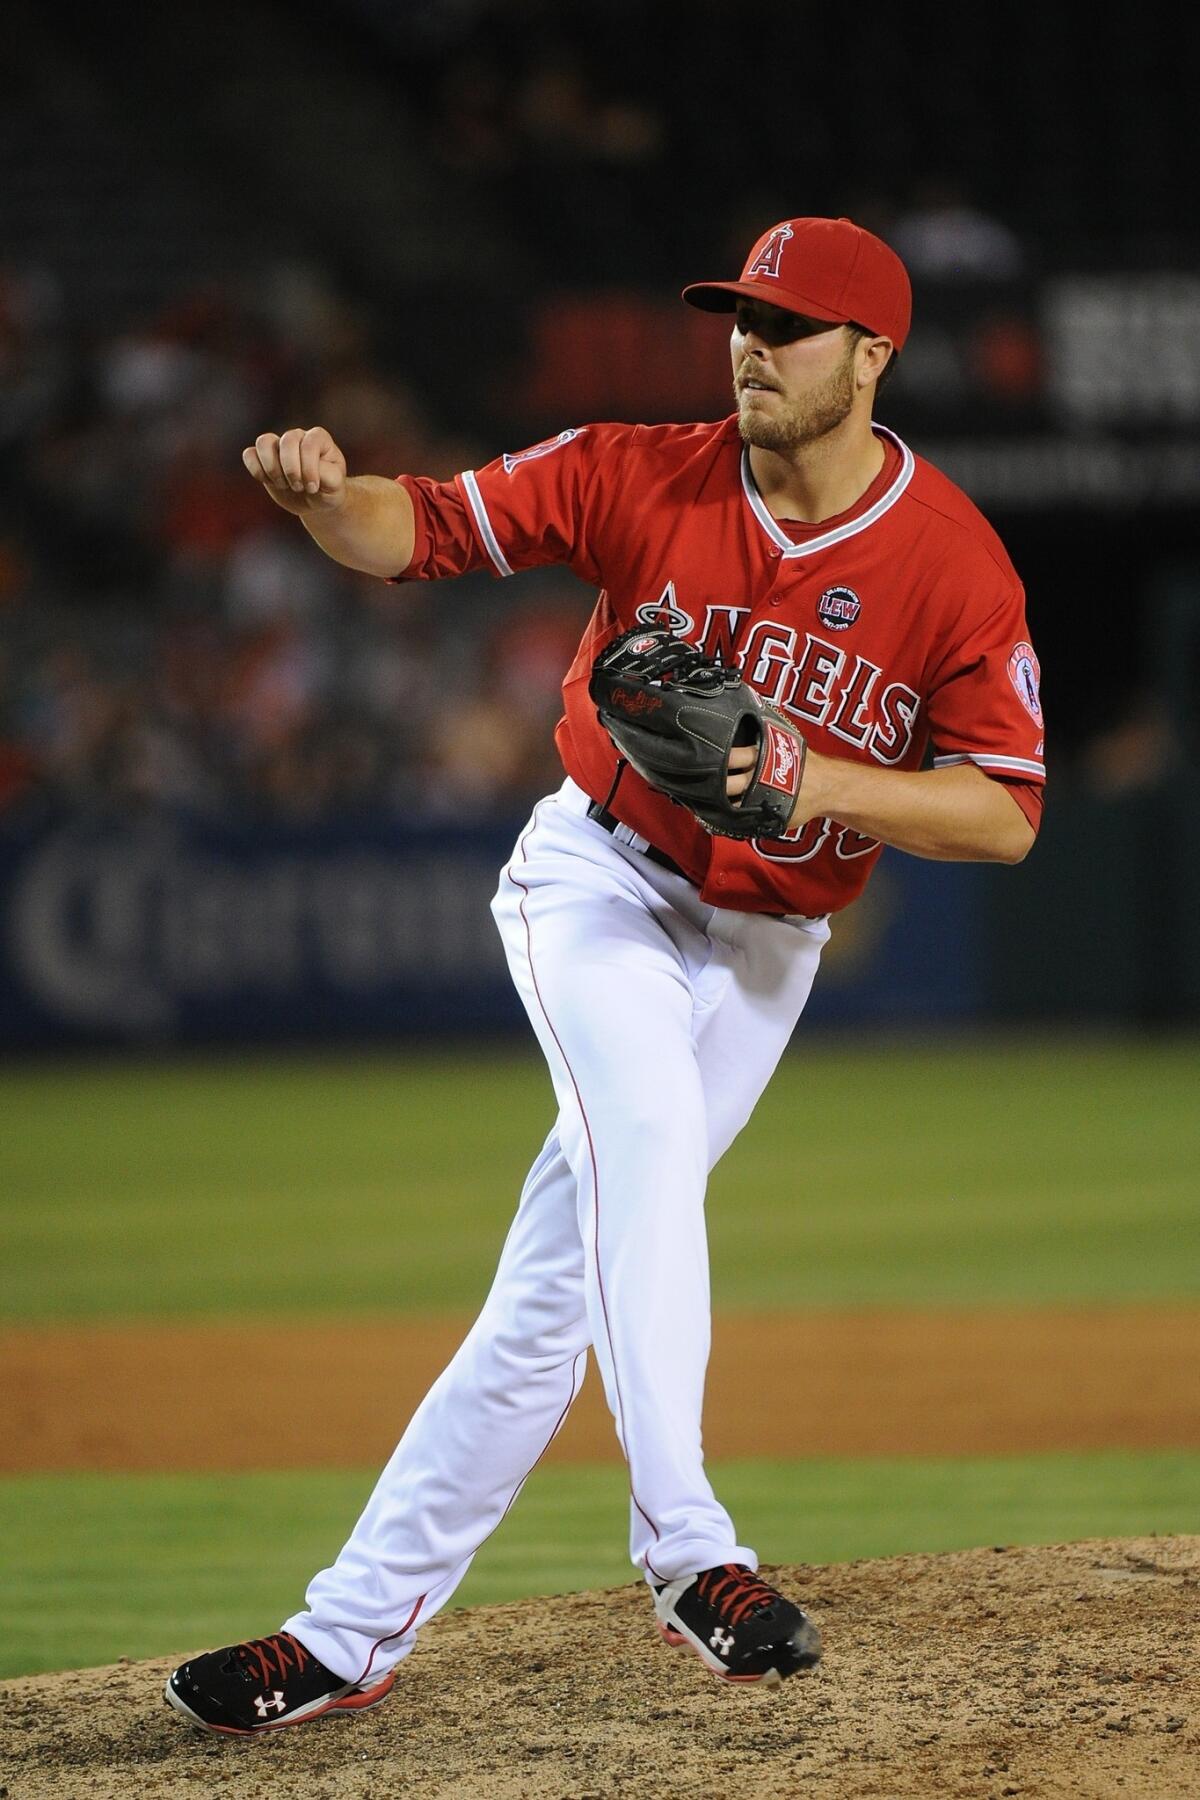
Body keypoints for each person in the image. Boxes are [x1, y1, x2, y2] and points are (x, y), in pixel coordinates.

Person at [165, 215, 1044, 1735]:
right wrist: (325, 502)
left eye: (790, 325)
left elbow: (1006, 810)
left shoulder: (953, 562)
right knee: (640, 1136)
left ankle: (345, 1635)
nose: (752, 347)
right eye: (739, 318)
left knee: (551, 1294)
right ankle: (690, 1543)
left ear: (875, 356)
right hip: (597, 880)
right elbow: (416, 526)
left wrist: (815, 777)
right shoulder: (644, 468)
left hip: (770, 940)